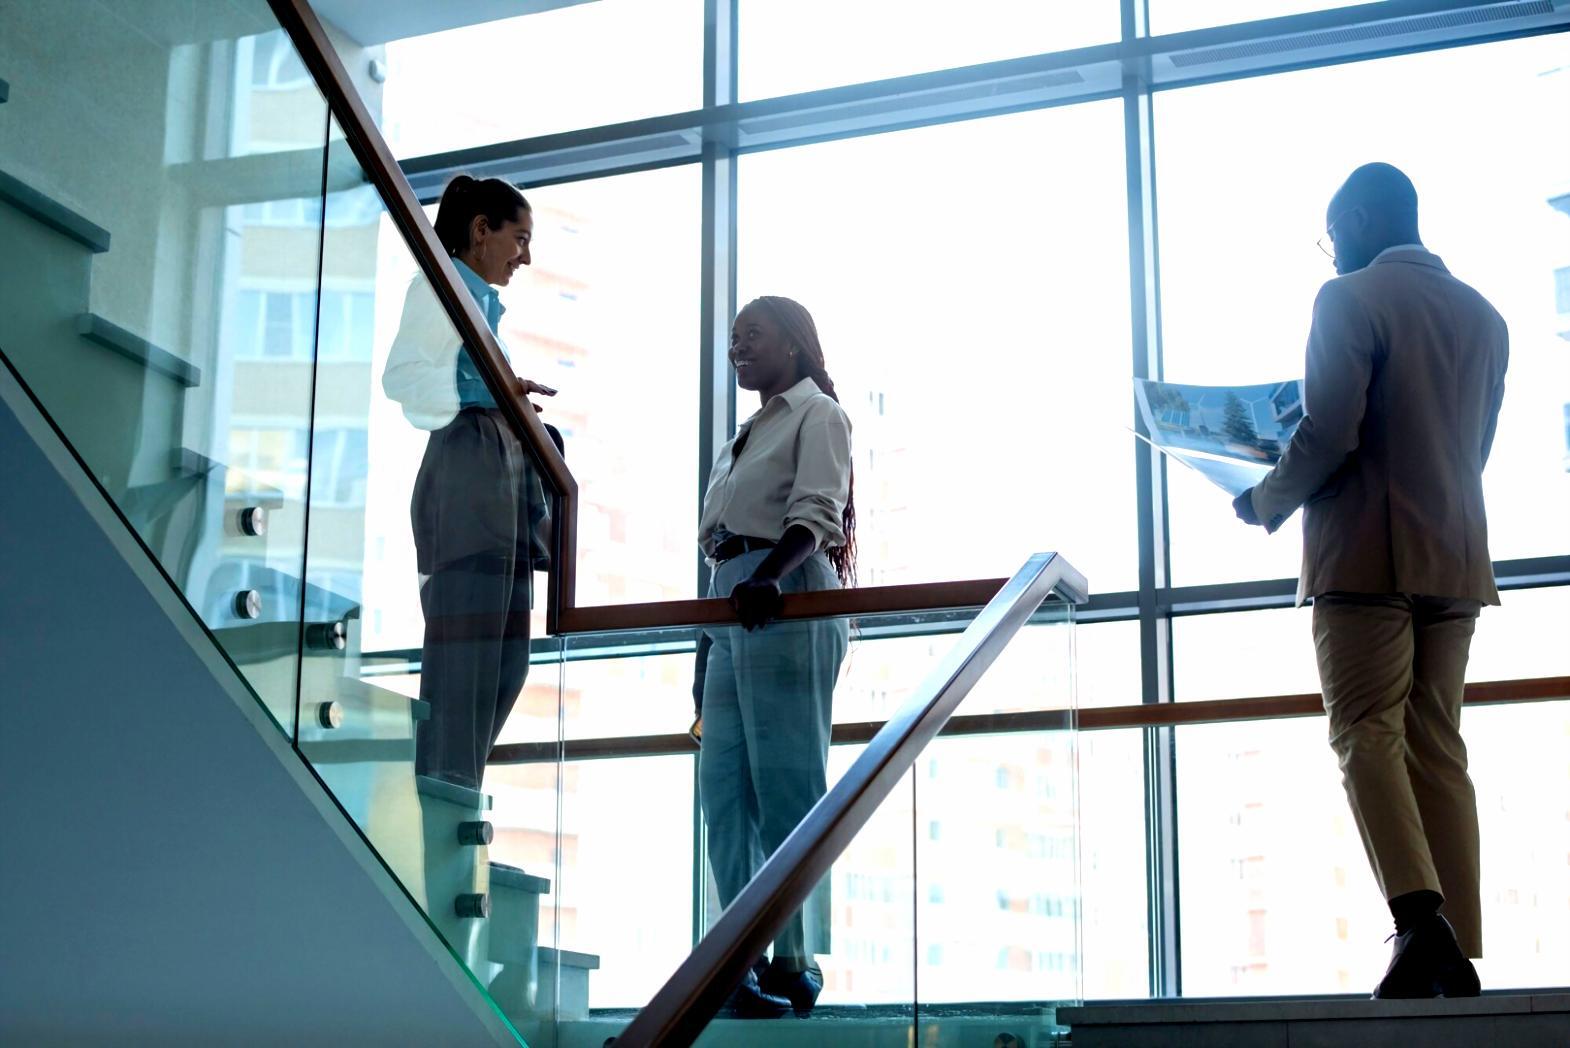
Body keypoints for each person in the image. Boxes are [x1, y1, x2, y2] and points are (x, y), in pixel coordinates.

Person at [1234, 162, 1508, 998]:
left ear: (1356, 218)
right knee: (1437, 743)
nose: (1331, 254)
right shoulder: (1485, 317)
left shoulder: (1348, 301)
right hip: (1456, 557)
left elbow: (1328, 434)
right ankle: (1457, 945)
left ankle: (1422, 925)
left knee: (1364, 732)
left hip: (1366, 555)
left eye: (1331, 235)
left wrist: (1263, 497)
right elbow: (1476, 447)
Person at [696, 296, 855, 1018]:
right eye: (732, 340)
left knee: (787, 789)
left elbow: (817, 512)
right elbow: (720, 541)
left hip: (782, 592)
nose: (737, 349)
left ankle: (796, 961)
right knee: (724, 796)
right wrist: (703, 660)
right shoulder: (746, 432)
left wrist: (770, 576)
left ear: (792, 345)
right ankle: (742, 957)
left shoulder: (817, 414)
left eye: (751, 336)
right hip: (732, 601)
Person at [382, 174, 557, 791]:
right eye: (520, 238)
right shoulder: (442, 290)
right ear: (481, 231)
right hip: (466, 491)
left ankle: (457, 788)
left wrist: (507, 405)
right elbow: (402, 378)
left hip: (497, 495)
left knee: (506, 663)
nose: (526, 256)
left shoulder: (480, 307)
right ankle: (446, 796)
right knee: (467, 665)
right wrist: (488, 395)